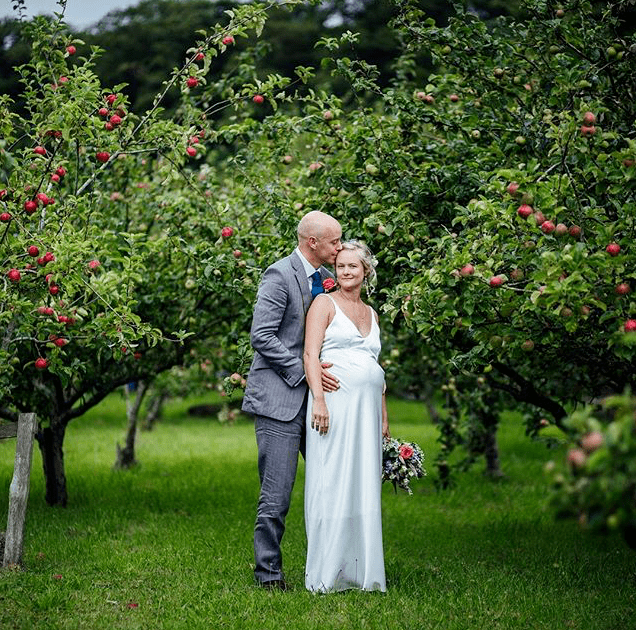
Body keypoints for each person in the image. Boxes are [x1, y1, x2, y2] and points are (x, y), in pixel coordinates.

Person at [242, 210, 342, 591]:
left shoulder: (329, 280)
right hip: (279, 400)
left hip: (320, 402)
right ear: (312, 242)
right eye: (334, 241)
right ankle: (268, 575)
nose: (339, 246)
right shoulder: (279, 274)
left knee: (332, 484)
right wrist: (306, 372)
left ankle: (334, 566)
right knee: (276, 496)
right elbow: (262, 336)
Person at [303, 240, 390, 593]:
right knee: (333, 482)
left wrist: (384, 417)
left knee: (363, 485)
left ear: (365, 270)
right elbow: (310, 355)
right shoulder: (324, 303)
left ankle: (361, 573)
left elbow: (376, 368)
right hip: (334, 406)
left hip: (367, 412)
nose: (346, 272)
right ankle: (326, 574)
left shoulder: (372, 313)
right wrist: (319, 400)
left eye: (352, 266)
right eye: (340, 267)